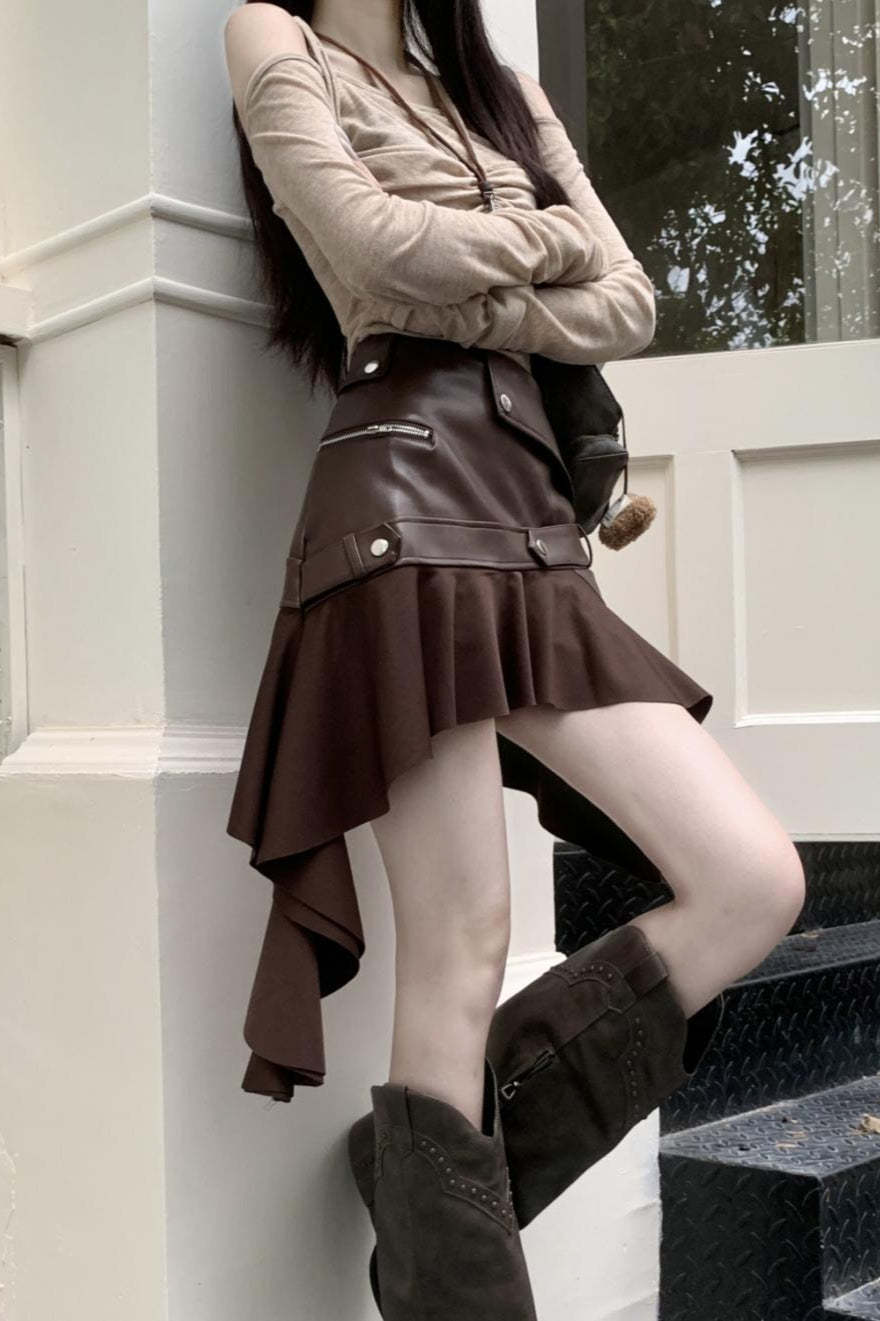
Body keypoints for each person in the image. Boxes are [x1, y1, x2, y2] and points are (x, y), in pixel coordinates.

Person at [223, 2, 806, 1314]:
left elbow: (630, 301)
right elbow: (371, 258)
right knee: (463, 943)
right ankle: (442, 1217)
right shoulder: (271, 37)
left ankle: (424, 1176)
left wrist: (471, 280)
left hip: (532, 519)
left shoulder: (494, 88)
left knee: (751, 879)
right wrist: (549, 249)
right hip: (399, 512)